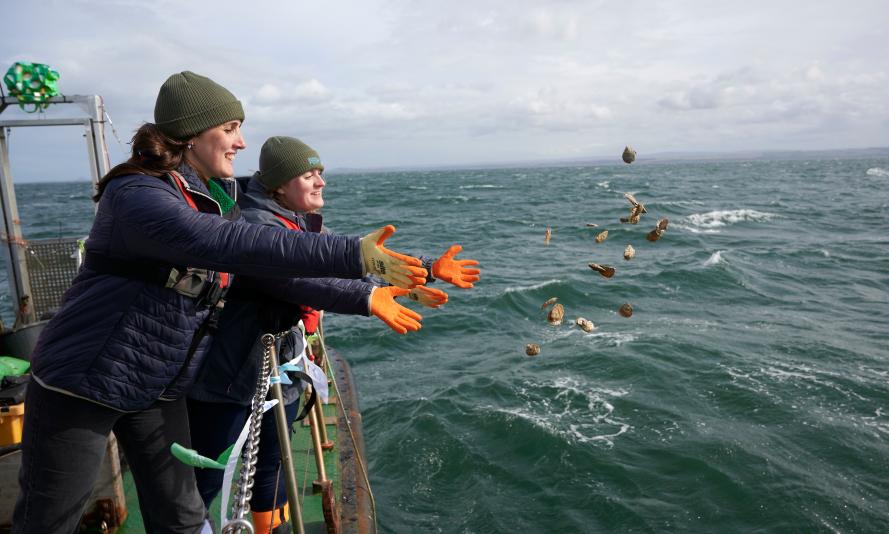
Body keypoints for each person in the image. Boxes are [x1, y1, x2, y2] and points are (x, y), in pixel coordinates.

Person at [12, 72, 430, 534]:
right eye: (230, 129)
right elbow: (234, 242)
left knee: (183, 515)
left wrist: (411, 270)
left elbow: (282, 243)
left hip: (157, 380)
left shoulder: (212, 195)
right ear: (191, 135)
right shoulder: (137, 195)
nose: (241, 141)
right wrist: (354, 255)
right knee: (50, 519)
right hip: (85, 378)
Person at [187, 136, 480, 533]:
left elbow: (352, 262)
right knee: (202, 479)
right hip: (232, 377)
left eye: (320, 173)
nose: (320, 182)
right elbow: (295, 280)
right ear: (278, 185)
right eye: (308, 174)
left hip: (279, 371)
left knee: (272, 465)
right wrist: (369, 298)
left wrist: (426, 268)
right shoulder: (255, 225)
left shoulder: (297, 220)